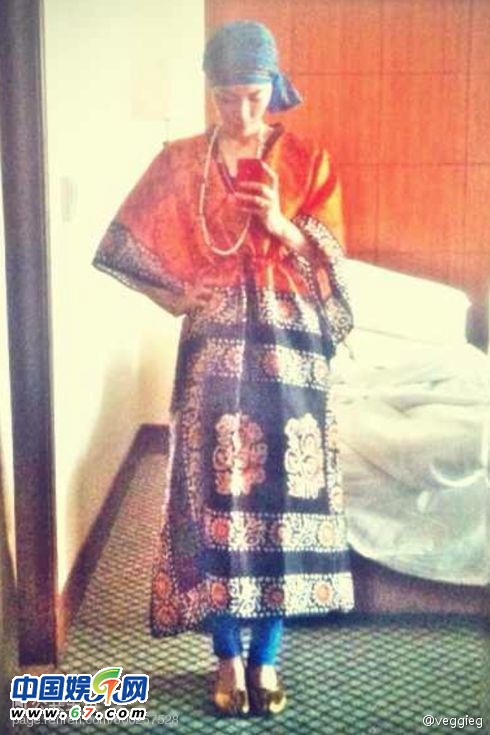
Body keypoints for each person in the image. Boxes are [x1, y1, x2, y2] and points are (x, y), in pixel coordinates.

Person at [92, 19, 355, 718]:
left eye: (253, 96)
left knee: (285, 504)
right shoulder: (181, 161)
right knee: (215, 504)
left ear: (275, 88)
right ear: (209, 92)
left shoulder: (309, 162)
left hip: (293, 355)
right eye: (225, 97)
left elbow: (333, 267)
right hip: (213, 352)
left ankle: (266, 656)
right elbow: (122, 244)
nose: (240, 112)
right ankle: (226, 656)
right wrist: (176, 295)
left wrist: (280, 223)